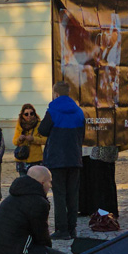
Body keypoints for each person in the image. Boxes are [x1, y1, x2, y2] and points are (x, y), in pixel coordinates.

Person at [38, 81, 85, 240]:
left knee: (59, 195)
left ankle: (62, 229)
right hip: (74, 158)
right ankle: (72, 229)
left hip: (57, 159)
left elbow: (42, 130)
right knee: (73, 194)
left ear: (55, 94)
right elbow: (82, 135)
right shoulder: (79, 112)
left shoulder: (53, 111)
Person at [12, 103, 45, 177]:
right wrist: (20, 139)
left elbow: (45, 140)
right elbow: (14, 141)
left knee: (35, 183)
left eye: (31, 113)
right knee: (24, 184)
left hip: (35, 160)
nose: (29, 116)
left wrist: (33, 139)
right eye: (26, 114)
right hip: (22, 159)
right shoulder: (19, 125)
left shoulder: (39, 125)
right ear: (22, 115)